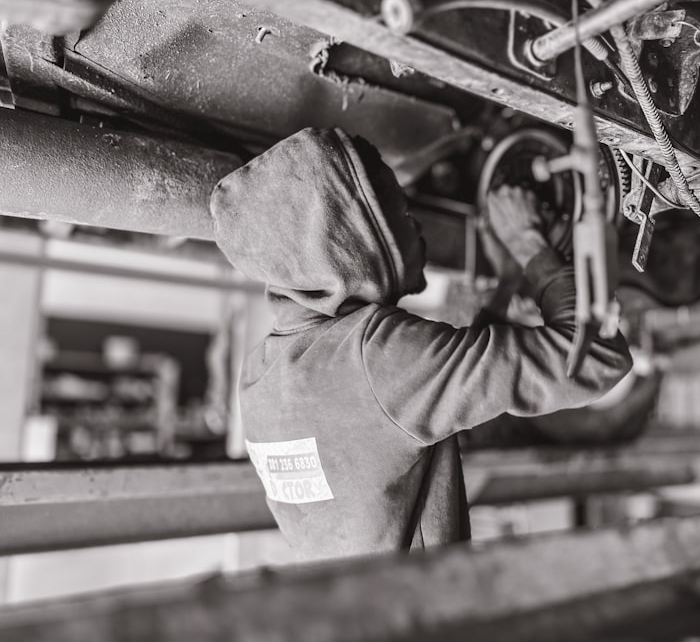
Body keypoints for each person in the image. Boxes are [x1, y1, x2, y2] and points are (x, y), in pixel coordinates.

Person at [210, 127, 632, 561]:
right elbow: (596, 358)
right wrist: (531, 244)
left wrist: (506, 283)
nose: (414, 222)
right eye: (396, 210)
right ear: (350, 240)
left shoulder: (260, 375)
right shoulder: (372, 358)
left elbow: (423, 406)